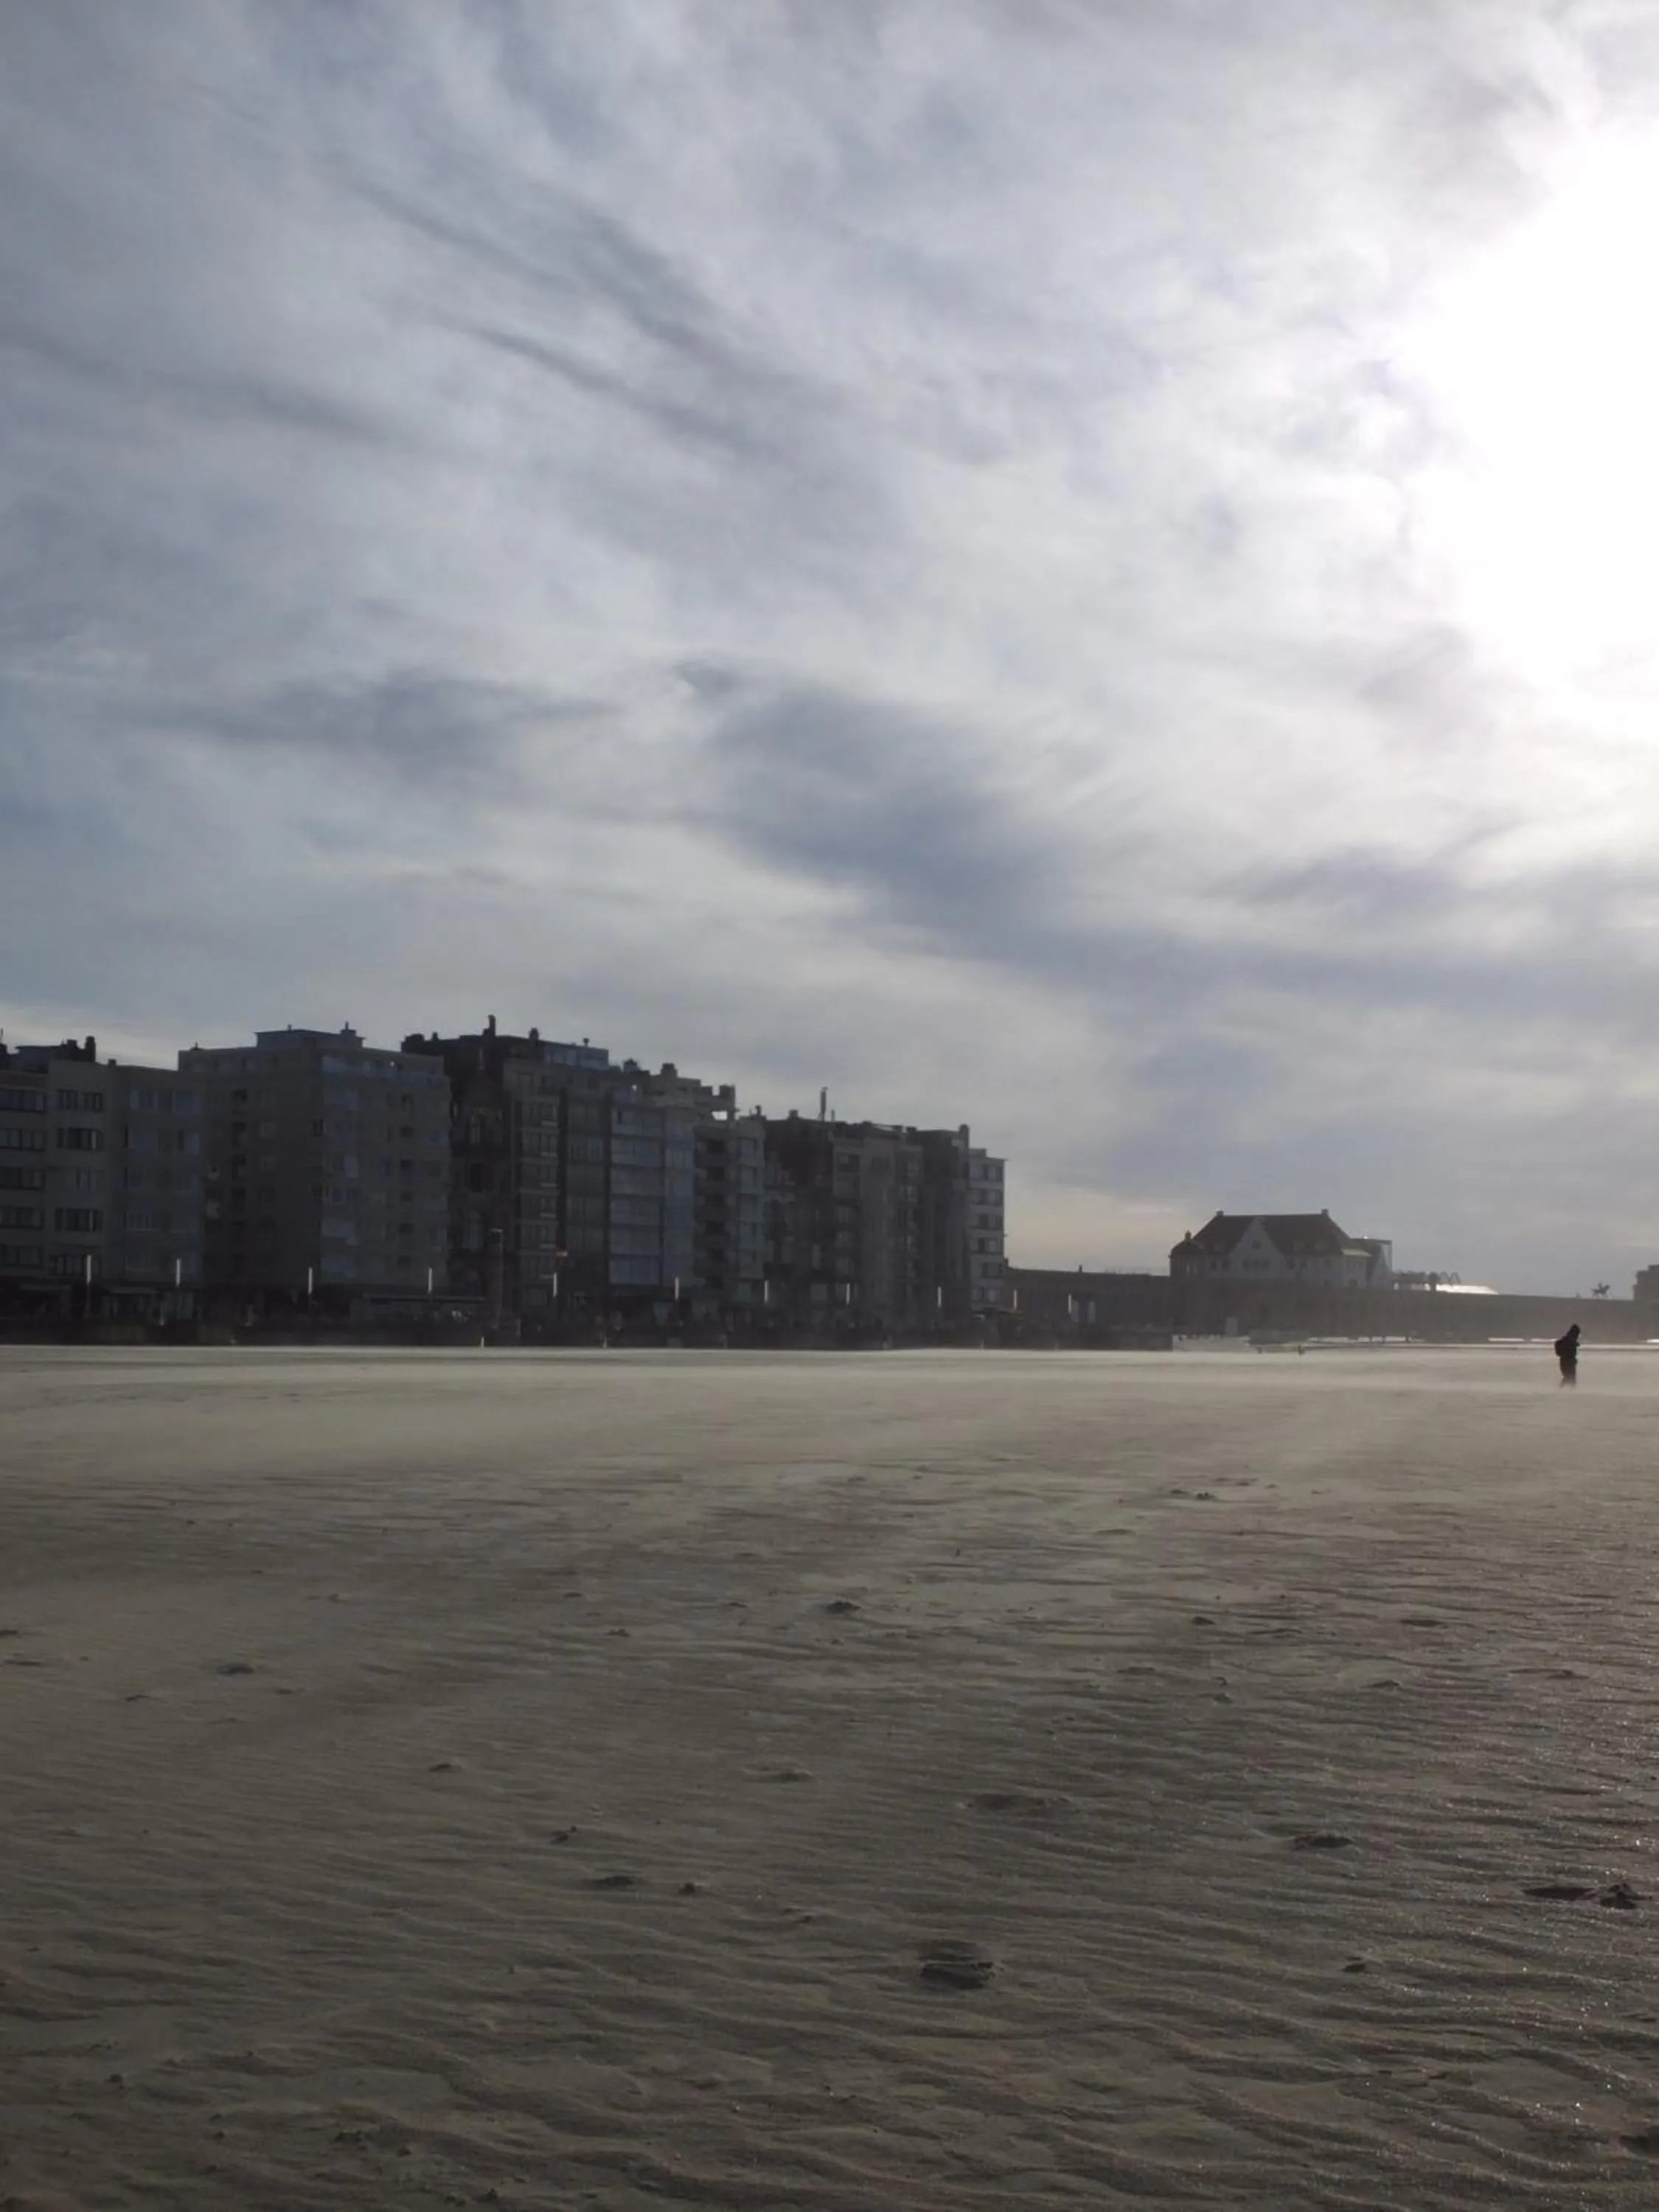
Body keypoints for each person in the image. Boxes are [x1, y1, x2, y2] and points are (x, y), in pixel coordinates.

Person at [1554, 1323, 1581, 1387]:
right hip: (1567, 1363)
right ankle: (1561, 1390)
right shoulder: (1569, 1340)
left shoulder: (1568, 1340)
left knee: (1568, 1378)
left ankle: (1561, 1390)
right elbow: (1569, 1352)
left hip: (1567, 1362)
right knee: (1569, 1378)